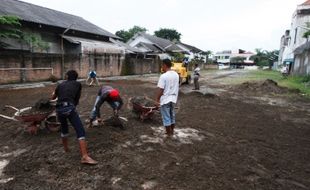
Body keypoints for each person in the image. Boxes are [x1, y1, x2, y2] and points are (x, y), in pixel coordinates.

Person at [51, 70, 97, 165]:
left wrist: (54, 93)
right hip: (69, 108)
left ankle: (66, 148)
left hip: (59, 109)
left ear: (67, 76)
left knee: (64, 129)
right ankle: (84, 157)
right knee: (80, 130)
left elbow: (53, 98)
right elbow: (77, 98)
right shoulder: (77, 84)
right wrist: (73, 106)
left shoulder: (60, 85)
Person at [156, 59, 179, 137]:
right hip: (173, 99)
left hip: (165, 99)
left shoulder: (163, 76)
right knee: (172, 115)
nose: (162, 67)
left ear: (165, 65)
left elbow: (161, 89)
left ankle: (169, 134)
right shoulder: (176, 74)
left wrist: (157, 100)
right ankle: (171, 131)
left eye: (162, 65)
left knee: (166, 117)